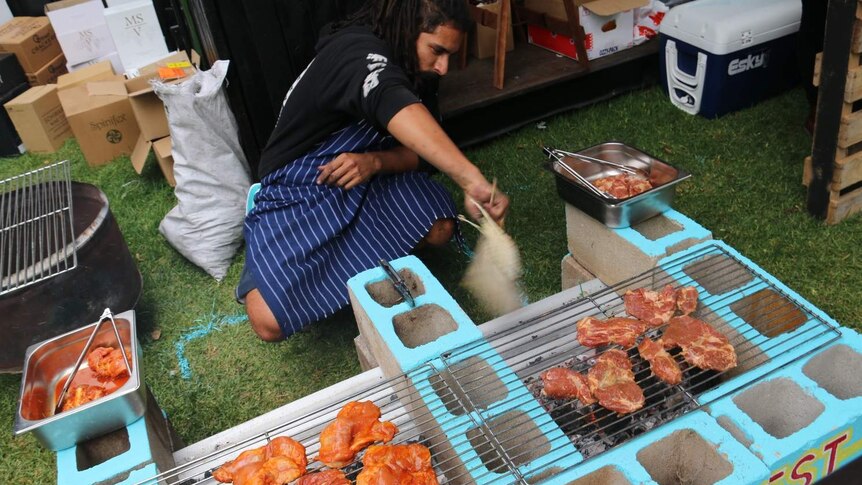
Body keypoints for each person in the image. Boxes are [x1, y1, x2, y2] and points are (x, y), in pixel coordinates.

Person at [238, 0, 510, 341]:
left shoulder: (418, 68)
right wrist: (472, 181)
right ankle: (271, 234)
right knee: (269, 323)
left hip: (371, 175)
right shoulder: (356, 53)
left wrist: (376, 162)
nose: (442, 67)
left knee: (440, 229)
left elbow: (421, 154)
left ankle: (359, 252)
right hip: (307, 182)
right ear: (407, 27)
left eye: (449, 56)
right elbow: (389, 98)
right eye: (437, 51)